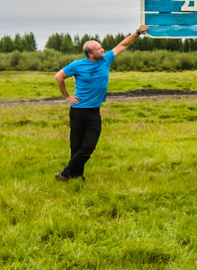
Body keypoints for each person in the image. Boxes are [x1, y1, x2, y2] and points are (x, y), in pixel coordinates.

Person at [53, 25, 148, 181]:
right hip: (78, 111)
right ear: (90, 54)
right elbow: (59, 77)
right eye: (98, 48)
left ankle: (65, 174)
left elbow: (123, 45)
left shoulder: (106, 59)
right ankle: (76, 176)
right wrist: (67, 97)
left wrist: (137, 33)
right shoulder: (78, 65)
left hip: (93, 112)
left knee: (88, 147)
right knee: (76, 147)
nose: (102, 49)